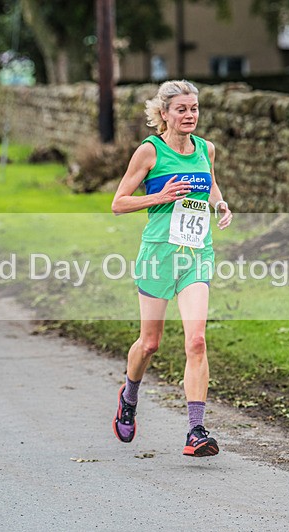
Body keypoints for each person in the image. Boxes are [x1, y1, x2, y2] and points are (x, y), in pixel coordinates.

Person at [110, 80, 233, 457]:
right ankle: (129, 395)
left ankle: (195, 431)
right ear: (164, 114)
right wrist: (159, 197)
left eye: (194, 108)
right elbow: (118, 202)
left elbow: (208, 183)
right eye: (181, 109)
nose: (190, 115)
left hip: (196, 254)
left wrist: (220, 203)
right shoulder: (150, 152)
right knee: (150, 343)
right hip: (158, 255)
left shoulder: (205, 149)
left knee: (196, 340)